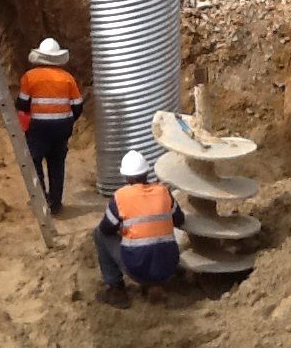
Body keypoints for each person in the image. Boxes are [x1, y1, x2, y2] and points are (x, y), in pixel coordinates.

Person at [93, 150, 185, 308]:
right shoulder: (163, 192)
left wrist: (124, 230)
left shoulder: (121, 197)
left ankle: (116, 290)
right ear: (146, 172)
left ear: (127, 177)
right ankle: (157, 283)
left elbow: (106, 229)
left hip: (137, 268)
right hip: (168, 266)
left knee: (98, 234)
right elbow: (180, 220)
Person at [16, 37, 83, 215]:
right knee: (57, 163)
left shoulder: (29, 77)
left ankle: (41, 199)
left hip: (38, 127)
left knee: (34, 160)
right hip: (62, 127)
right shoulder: (67, 78)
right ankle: (56, 202)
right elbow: (77, 105)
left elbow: (22, 104)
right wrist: (67, 120)